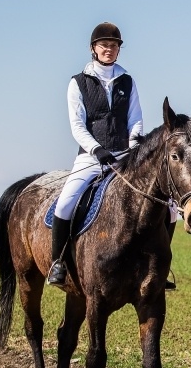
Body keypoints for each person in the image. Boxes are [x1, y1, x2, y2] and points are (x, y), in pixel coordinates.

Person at [47, 22, 145, 286]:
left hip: (124, 156)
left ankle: (158, 265)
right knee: (67, 201)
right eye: (104, 45)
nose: (109, 50)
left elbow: (135, 120)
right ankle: (58, 263)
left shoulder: (128, 81)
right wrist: (97, 149)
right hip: (91, 157)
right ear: (93, 48)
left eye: (114, 46)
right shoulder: (78, 83)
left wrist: (134, 149)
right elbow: (77, 125)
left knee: (167, 208)